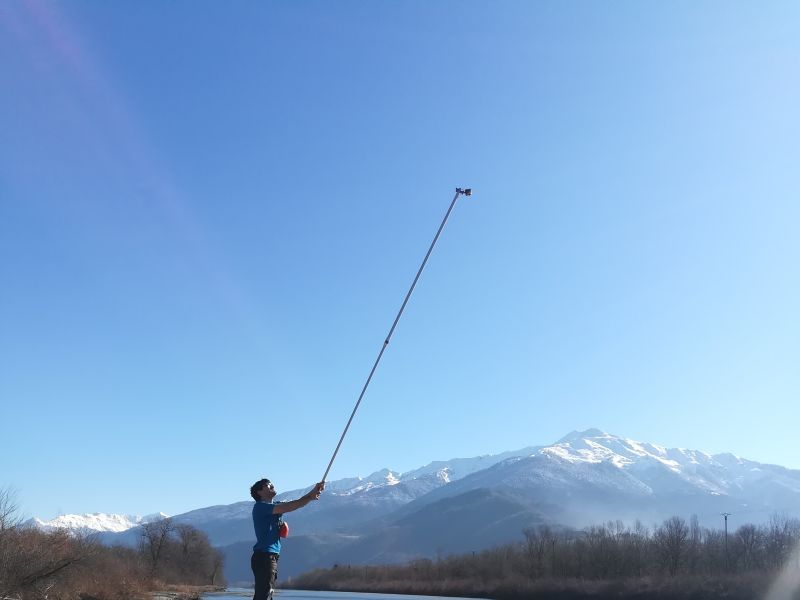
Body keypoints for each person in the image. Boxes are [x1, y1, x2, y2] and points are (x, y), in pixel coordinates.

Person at [249, 478, 325, 600]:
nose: (271, 485)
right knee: (264, 595)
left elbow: (297, 502)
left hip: (269, 557)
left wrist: (313, 492)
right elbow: (290, 507)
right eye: (267, 485)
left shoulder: (275, 505)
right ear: (259, 492)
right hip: (264, 557)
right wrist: (310, 497)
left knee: (266, 594)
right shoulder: (260, 507)